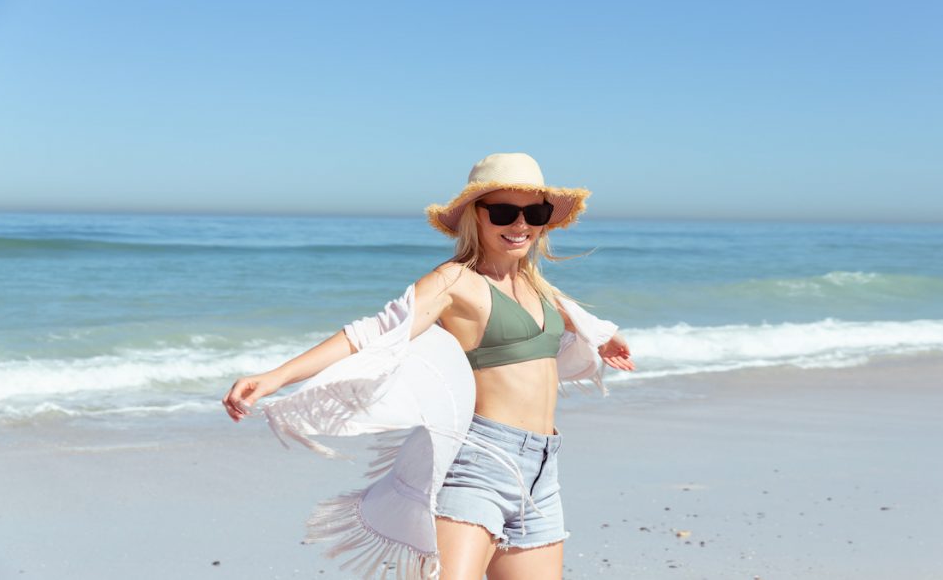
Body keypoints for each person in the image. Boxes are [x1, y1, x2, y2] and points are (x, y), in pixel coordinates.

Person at [222, 152, 634, 580]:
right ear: (477, 216)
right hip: (479, 463)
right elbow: (372, 332)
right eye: (504, 212)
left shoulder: (536, 285)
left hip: (543, 470)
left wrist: (604, 335)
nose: (520, 224)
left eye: (534, 212)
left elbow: (568, 316)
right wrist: (275, 377)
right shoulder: (454, 281)